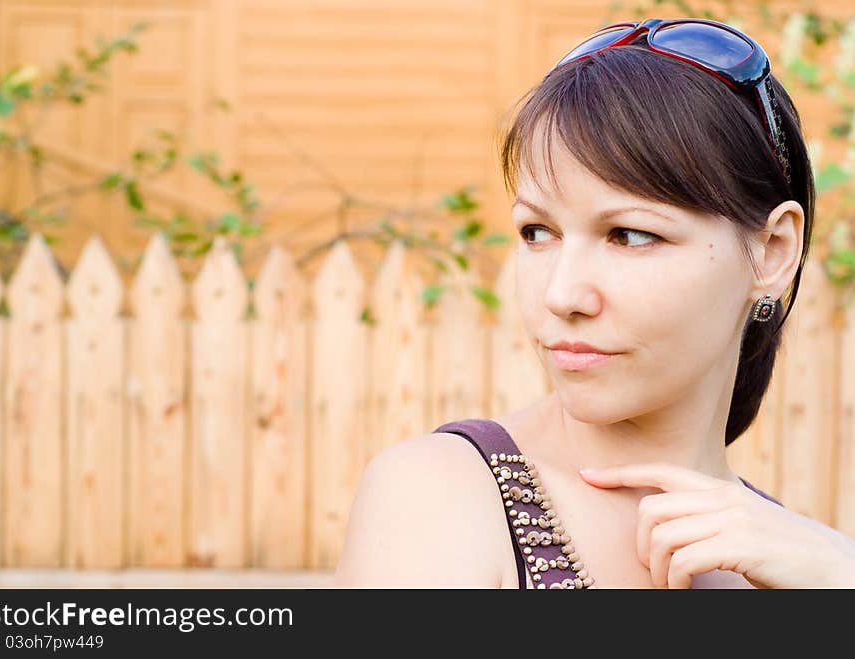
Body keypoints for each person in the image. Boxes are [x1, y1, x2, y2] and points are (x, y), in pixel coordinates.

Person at [332, 18, 855, 588]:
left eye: (628, 235)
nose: (562, 295)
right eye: (537, 232)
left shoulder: (788, 563)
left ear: (773, 253)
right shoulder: (441, 498)